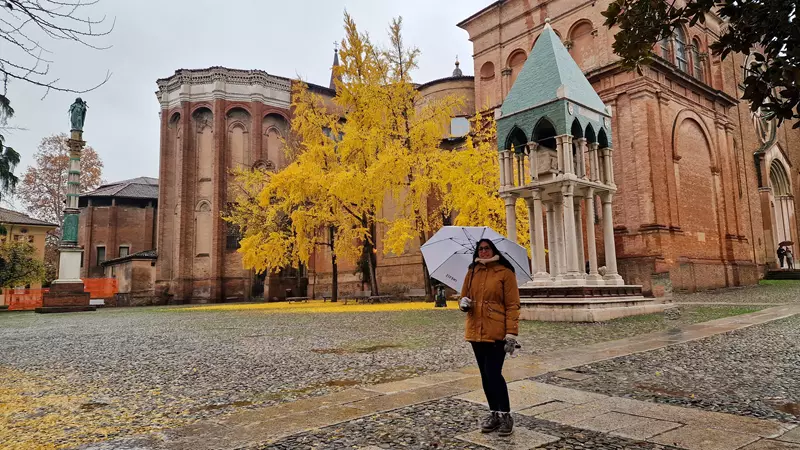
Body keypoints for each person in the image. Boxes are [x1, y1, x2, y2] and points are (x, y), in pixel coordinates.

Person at [458, 238, 520, 436]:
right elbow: (464, 296)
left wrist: (511, 333)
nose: (483, 251)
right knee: (485, 375)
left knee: (494, 374)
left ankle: (506, 415)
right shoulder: (472, 270)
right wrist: (463, 303)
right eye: (480, 249)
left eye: (487, 248)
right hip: (475, 331)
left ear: (493, 250)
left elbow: (512, 305)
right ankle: (493, 413)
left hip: (496, 332)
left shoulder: (505, 272)